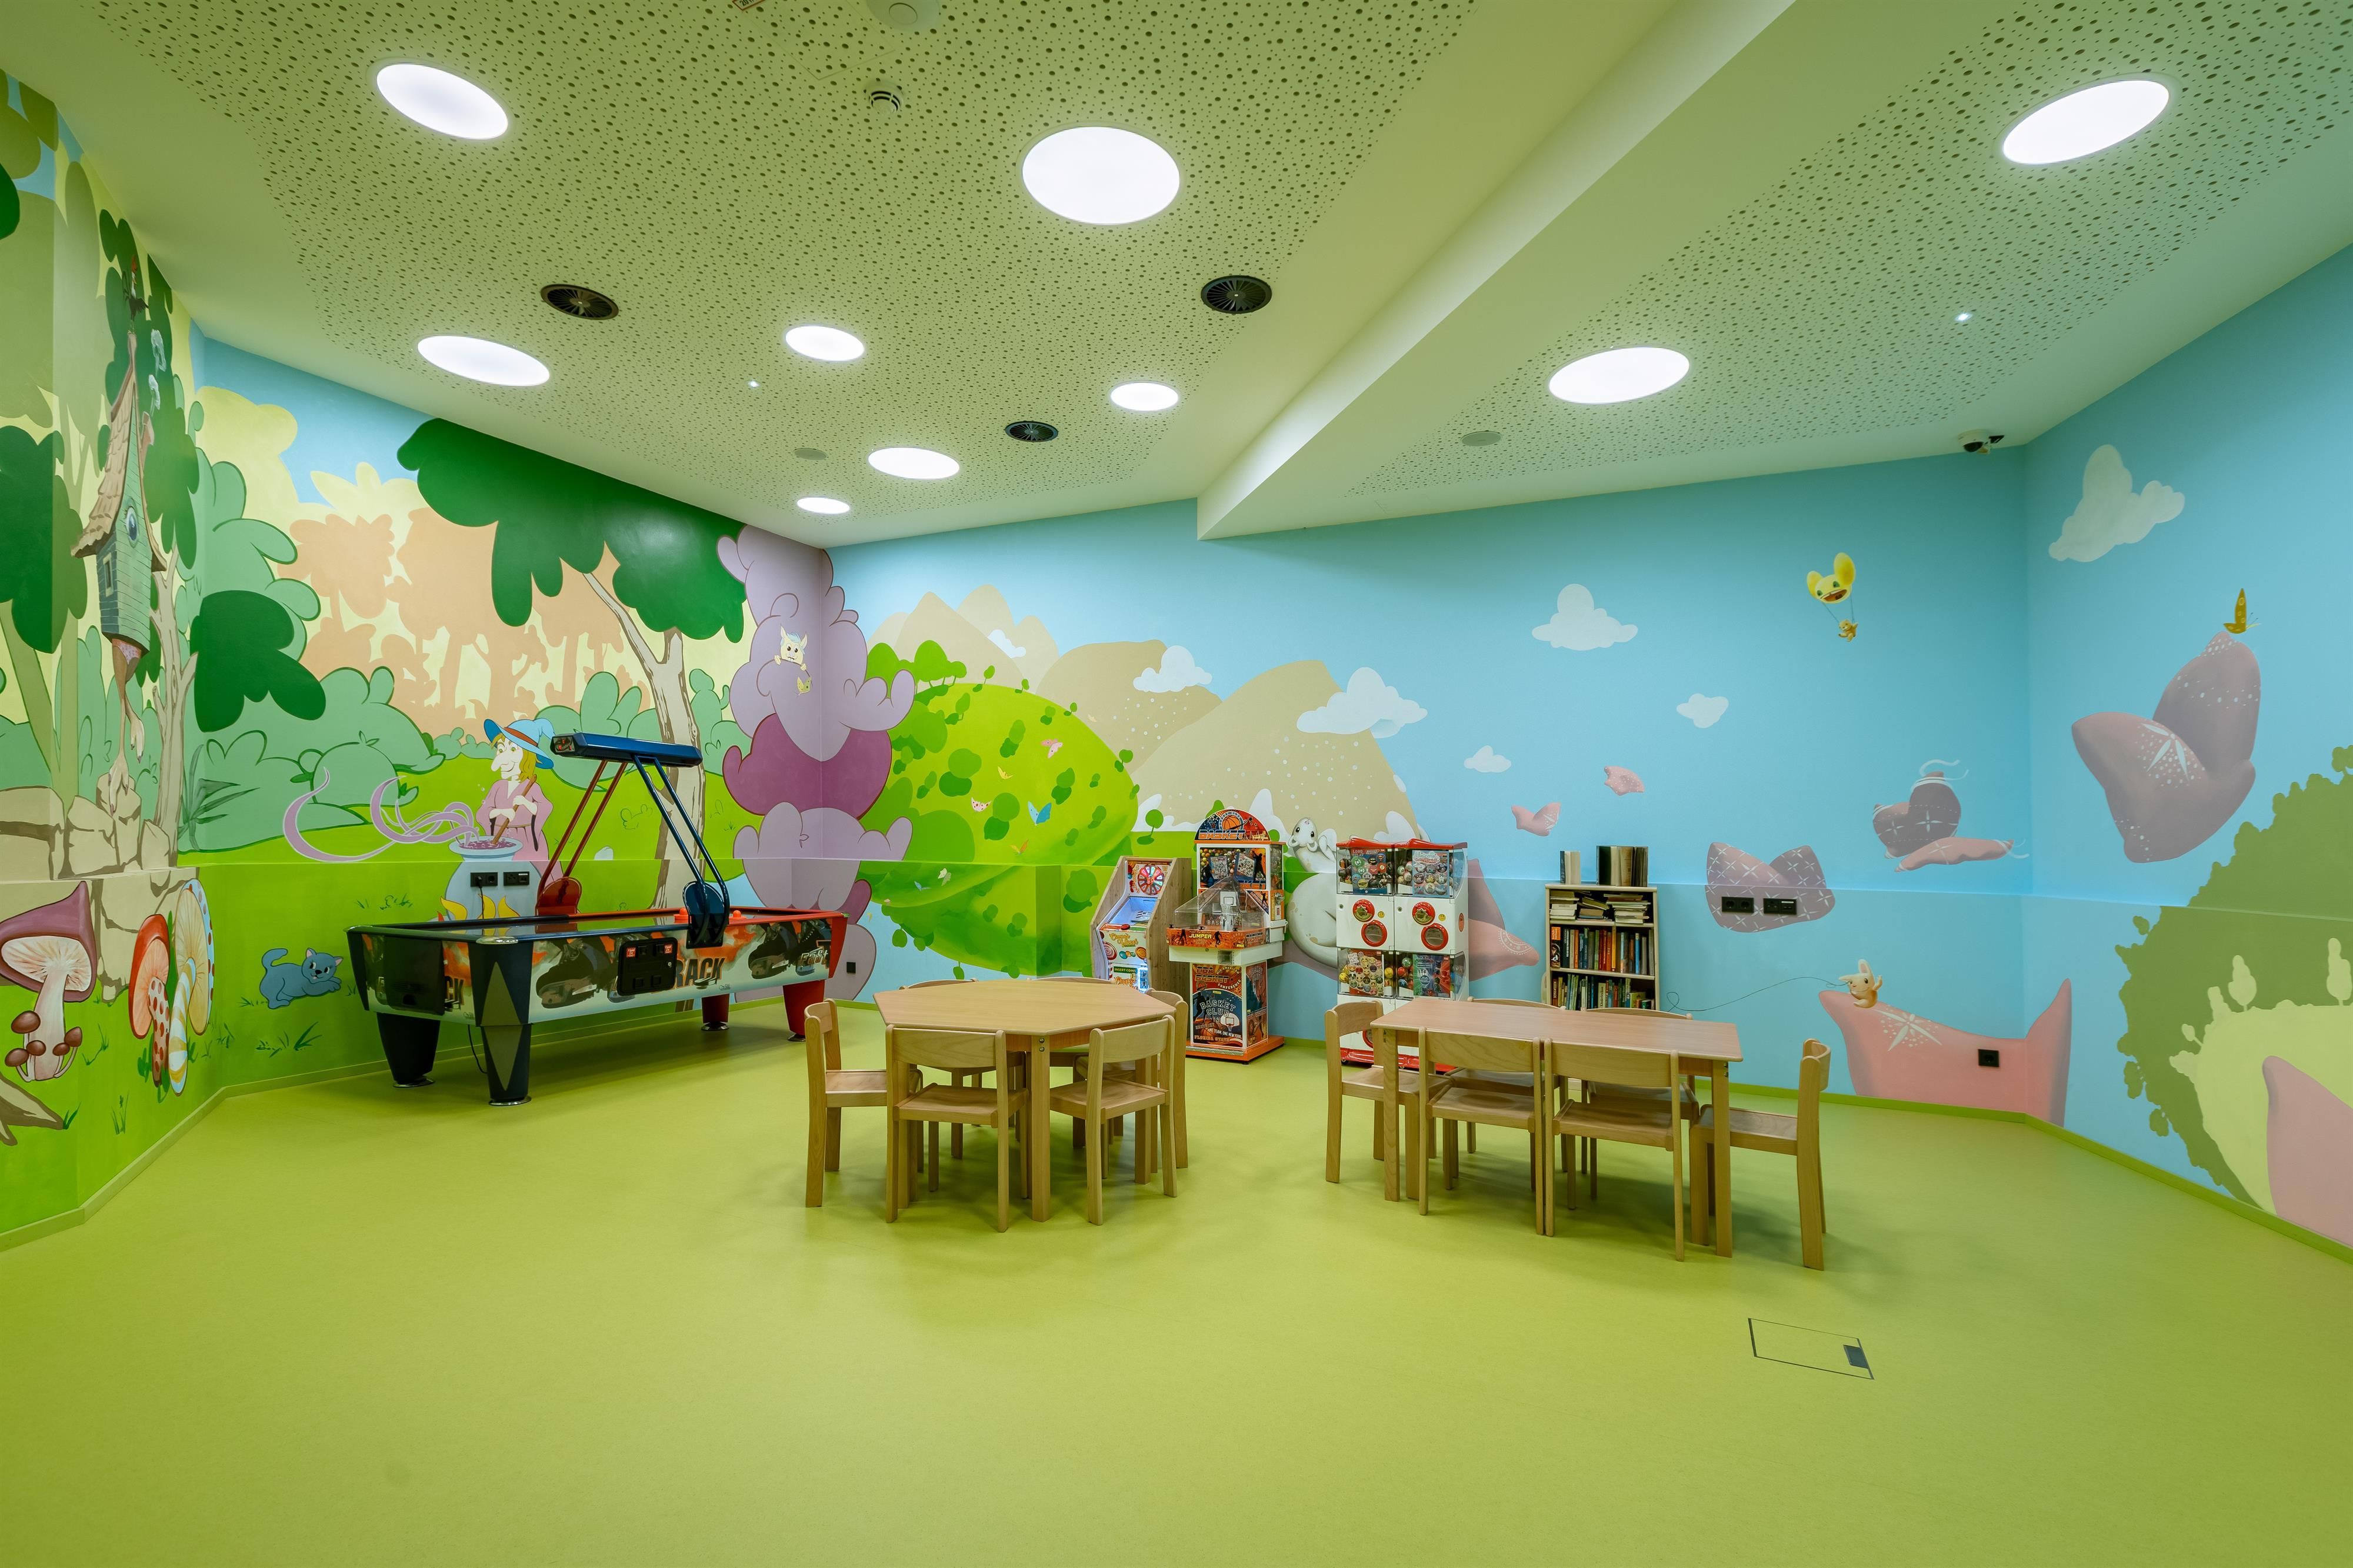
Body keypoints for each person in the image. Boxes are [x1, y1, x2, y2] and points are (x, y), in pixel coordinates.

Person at [482, 718, 557, 870]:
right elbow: (483, 812)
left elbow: (546, 807)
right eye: (501, 750)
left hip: (526, 841)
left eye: (513, 750)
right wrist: (501, 812)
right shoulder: (498, 787)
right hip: (501, 839)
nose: (503, 758)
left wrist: (526, 803)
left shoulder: (532, 787)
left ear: (527, 758)